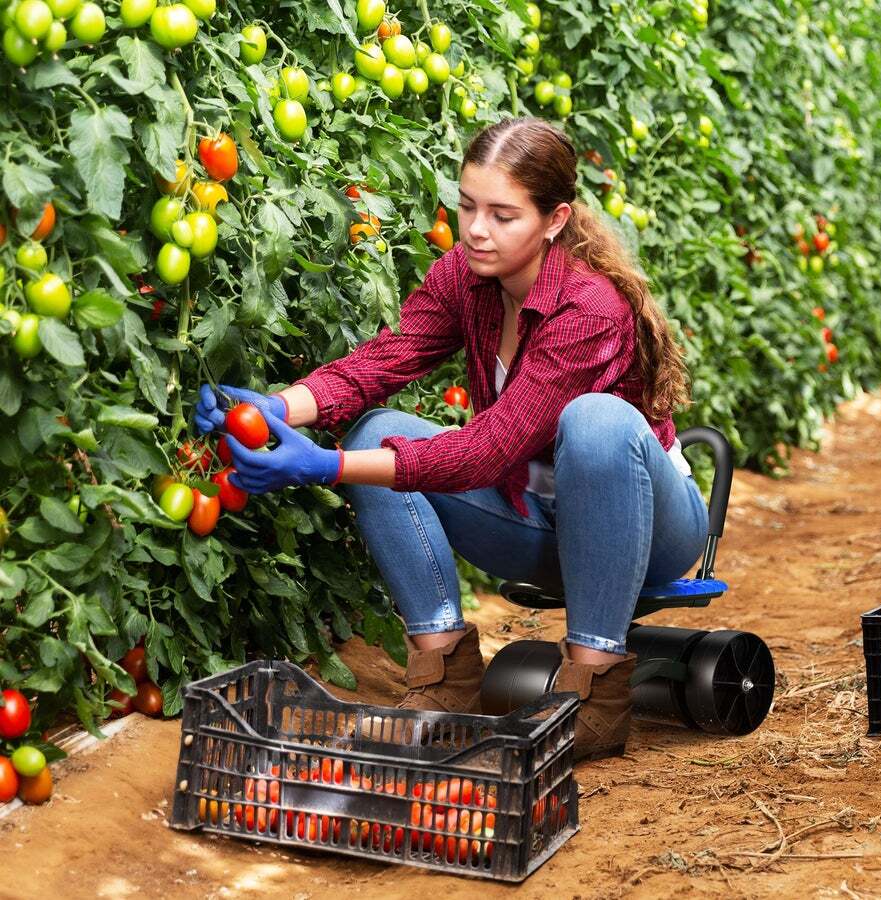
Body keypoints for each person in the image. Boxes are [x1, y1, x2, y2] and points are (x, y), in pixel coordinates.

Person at [194, 116, 709, 762]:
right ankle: (443, 677)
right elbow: (387, 359)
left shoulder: (589, 308)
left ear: (554, 221)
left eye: (502, 214)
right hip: (540, 525)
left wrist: (326, 465)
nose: (475, 230)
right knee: (380, 433)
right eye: (467, 206)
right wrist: (277, 408)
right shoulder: (465, 278)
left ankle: (594, 696)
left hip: (649, 529)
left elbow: (487, 450)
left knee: (594, 422)